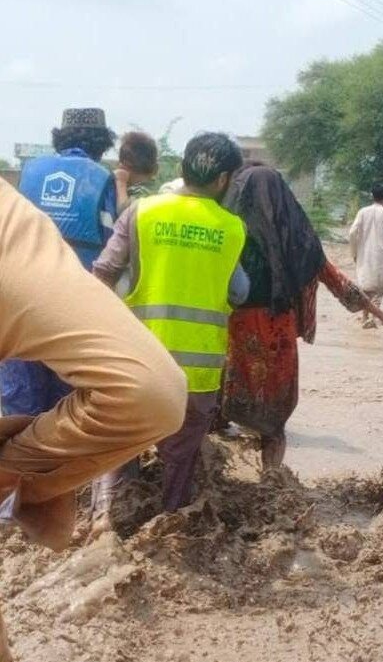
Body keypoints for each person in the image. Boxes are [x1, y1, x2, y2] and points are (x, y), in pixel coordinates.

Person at [0, 177, 187, 662]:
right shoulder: (23, 214)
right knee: (178, 473)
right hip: (121, 357)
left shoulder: (133, 212)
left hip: (52, 356)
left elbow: (106, 267)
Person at [91, 133, 248, 516]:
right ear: (223, 180)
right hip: (197, 376)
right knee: (179, 461)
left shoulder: (142, 212)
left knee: (117, 447)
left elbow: (102, 273)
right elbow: (240, 292)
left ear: (181, 168)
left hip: (138, 364)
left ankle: (103, 522)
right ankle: (170, 520)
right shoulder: (232, 228)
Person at [219, 163, 383, 469]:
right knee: (274, 424)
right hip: (279, 340)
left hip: (234, 336)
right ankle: (271, 478)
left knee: (218, 408)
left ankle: (215, 479)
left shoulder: (227, 234)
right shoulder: (300, 244)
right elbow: (340, 284)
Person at [0, 108, 118, 419]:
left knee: (21, 391)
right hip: (74, 298)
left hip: (22, 291)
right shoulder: (102, 178)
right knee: (67, 396)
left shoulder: (30, 171)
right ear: (102, 142)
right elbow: (110, 245)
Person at [349, 183, 383, 328]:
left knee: (364, 289)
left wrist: (354, 251)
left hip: (363, 255)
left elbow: (352, 232)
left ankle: (364, 317)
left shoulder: (363, 212)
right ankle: (372, 318)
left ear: (372, 196)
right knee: (377, 291)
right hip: (382, 256)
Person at [114, 129, 159, 211]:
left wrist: (121, 182)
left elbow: (125, 212)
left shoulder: (140, 191)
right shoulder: (156, 190)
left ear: (124, 166)